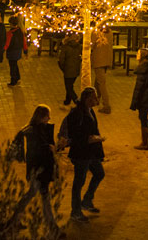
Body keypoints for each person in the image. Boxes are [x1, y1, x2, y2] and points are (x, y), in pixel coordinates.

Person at [62, 87, 106, 224]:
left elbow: (93, 129)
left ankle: (86, 200)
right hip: (81, 153)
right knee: (78, 182)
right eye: (94, 98)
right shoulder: (77, 113)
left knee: (99, 173)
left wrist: (96, 142)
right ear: (87, 99)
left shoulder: (89, 110)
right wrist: (89, 139)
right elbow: (75, 134)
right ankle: (75, 211)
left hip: (90, 152)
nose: (96, 100)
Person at [15, 105, 58, 228]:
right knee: (45, 199)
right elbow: (39, 152)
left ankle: (15, 219)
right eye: (47, 116)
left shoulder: (34, 130)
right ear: (41, 117)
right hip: (39, 171)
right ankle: (52, 226)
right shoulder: (35, 132)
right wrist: (52, 148)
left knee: (32, 194)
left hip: (37, 171)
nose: (49, 118)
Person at [90, 29, 112, 113]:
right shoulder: (109, 31)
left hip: (98, 59)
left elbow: (91, 45)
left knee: (102, 83)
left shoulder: (95, 32)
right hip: (107, 59)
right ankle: (95, 98)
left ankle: (106, 105)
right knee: (98, 80)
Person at [4, 15, 28, 87]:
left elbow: (7, 43)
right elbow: (24, 41)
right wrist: (25, 50)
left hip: (11, 52)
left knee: (12, 66)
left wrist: (3, 50)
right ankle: (17, 77)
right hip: (18, 51)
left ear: (10, 23)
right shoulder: (20, 31)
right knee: (15, 64)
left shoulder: (10, 33)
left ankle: (13, 80)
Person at [58, 33, 82, 106]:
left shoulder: (65, 47)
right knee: (70, 85)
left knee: (69, 87)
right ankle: (67, 101)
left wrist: (62, 67)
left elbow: (61, 59)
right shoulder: (79, 47)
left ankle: (77, 101)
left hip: (67, 69)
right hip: (76, 70)